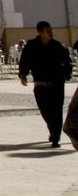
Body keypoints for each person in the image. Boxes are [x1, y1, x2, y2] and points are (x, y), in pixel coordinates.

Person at [18, 20, 73, 148]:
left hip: (57, 82)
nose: (51, 32)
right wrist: (22, 74)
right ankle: (53, 129)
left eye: (51, 30)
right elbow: (24, 60)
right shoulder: (32, 45)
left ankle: (55, 137)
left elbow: (67, 61)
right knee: (45, 110)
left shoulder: (57, 45)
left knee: (57, 110)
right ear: (40, 32)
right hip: (40, 82)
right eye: (48, 30)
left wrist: (67, 74)